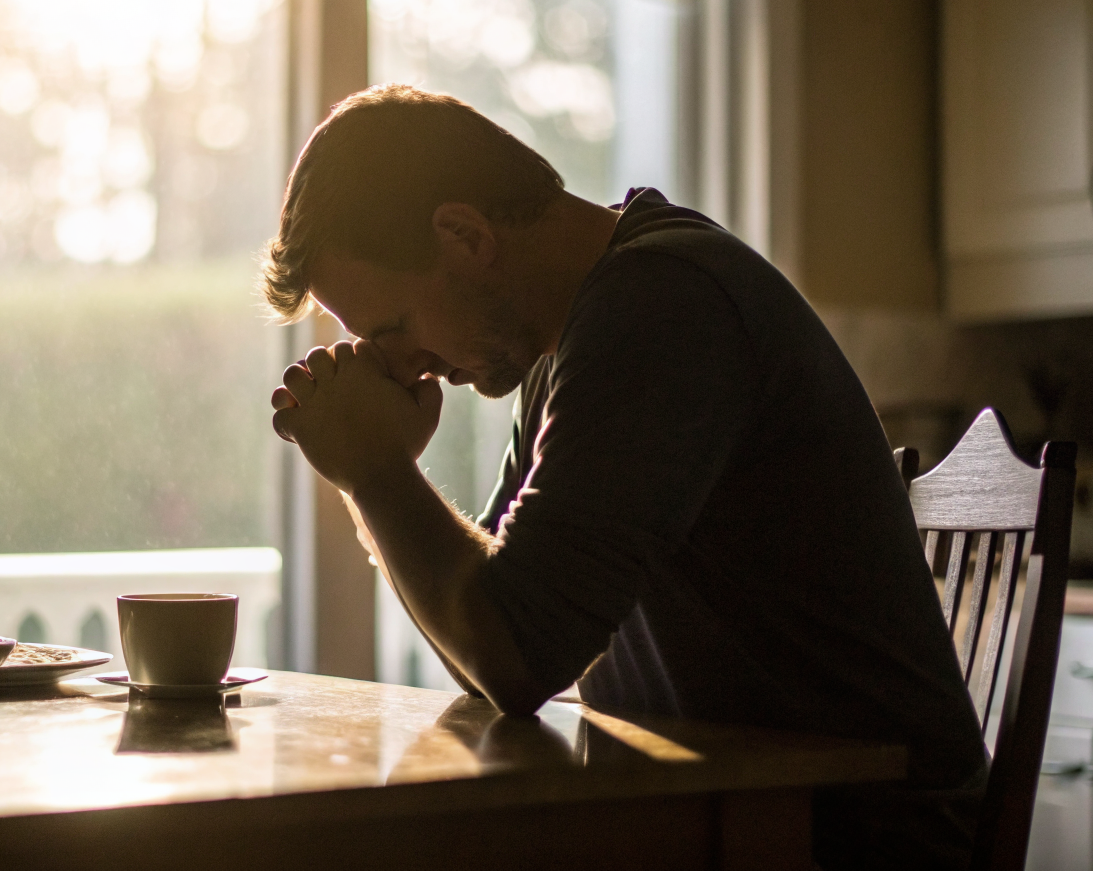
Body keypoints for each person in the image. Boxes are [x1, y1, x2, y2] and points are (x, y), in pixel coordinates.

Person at [262, 84, 987, 869]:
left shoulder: (663, 304)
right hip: (729, 816)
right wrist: (378, 471)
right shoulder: (573, 336)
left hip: (851, 837)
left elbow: (516, 656)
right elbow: (486, 651)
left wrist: (374, 471)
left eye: (392, 328)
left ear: (465, 236)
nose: (396, 363)